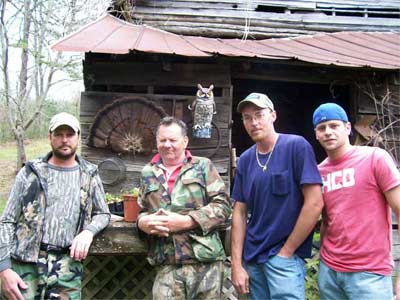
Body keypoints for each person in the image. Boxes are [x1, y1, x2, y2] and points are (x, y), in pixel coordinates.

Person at [0, 112, 110, 300]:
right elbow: (6, 220)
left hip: (67, 267)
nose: (64, 140)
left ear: (78, 137)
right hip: (25, 265)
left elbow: (103, 213)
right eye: (59, 134)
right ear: (50, 137)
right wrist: (4, 269)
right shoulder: (30, 172)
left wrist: (88, 232)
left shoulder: (89, 173)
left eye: (69, 134)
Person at [231, 92, 324, 300]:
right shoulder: (246, 160)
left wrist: (287, 251)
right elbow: (239, 212)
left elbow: (315, 202)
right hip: (253, 259)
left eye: (259, 115)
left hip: (284, 259)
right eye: (247, 118)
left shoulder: (296, 146)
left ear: (273, 115)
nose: (253, 122)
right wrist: (237, 264)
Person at [137, 116, 231, 300]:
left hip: (205, 262)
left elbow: (223, 206)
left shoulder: (203, 166)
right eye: (162, 140)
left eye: (173, 140)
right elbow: (141, 210)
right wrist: (143, 223)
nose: (167, 144)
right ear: (156, 142)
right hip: (166, 263)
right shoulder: (147, 172)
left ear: (185, 141)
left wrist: (187, 221)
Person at [312, 102, 400, 299]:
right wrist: (322, 264)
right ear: (316, 134)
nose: (328, 132)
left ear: (348, 128)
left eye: (334, 126)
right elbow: (327, 220)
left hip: (369, 274)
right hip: (330, 272)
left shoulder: (375, 158)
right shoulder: (318, 172)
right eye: (321, 128)